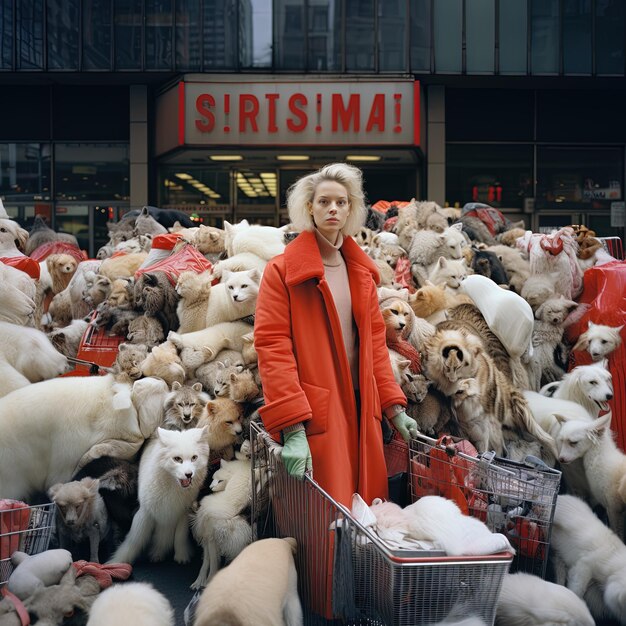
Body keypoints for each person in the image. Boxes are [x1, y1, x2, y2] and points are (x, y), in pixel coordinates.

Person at [254, 162, 418, 507]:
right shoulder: (282, 272)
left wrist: (393, 407)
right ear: (309, 207)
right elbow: (273, 348)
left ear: (351, 209)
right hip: (317, 410)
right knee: (327, 522)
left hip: (364, 407)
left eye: (341, 202)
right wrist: (292, 427)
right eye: (324, 201)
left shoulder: (360, 271)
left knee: (367, 521)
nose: (333, 209)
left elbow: (374, 345)